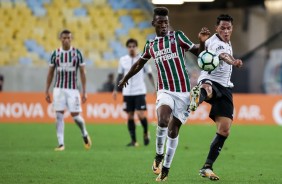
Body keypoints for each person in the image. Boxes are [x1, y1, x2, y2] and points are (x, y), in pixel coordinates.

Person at [118, 7, 210, 181]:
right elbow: (139, 64)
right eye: (160, 22)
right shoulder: (151, 45)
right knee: (162, 120)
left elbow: (198, 52)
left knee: (174, 130)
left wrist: (203, 42)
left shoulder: (178, 37)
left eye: (166, 22)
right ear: (154, 23)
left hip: (183, 92)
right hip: (165, 90)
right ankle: (159, 155)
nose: (164, 25)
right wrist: (125, 78)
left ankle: (166, 168)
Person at [189, 14, 243, 180]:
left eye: (228, 28)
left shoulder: (222, 41)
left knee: (224, 130)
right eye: (222, 28)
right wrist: (233, 61)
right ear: (216, 28)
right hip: (210, 79)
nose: (226, 31)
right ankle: (196, 97)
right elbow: (222, 56)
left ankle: (207, 167)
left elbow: (201, 48)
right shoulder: (218, 43)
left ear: (231, 29)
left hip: (225, 87)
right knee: (208, 88)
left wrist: (202, 44)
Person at [45, 29, 92, 151]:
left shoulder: (77, 54)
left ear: (71, 39)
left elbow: (83, 73)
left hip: (72, 90)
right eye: (64, 38)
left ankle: (84, 133)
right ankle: (61, 144)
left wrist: (85, 91)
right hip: (58, 89)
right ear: (60, 39)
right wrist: (46, 90)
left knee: (76, 117)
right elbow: (50, 73)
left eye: (68, 38)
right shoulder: (55, 54)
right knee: (59, 116)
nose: (66, 40)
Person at [113, 38, 155, 147]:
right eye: (129, 46)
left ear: (136, 47)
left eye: (133, 46)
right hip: (127, 92)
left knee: (141, 115)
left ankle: (146, 132)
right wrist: (115, 90)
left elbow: (149, 74)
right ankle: (134, 141)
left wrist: (155, 87)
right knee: (130, 116)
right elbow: (119, 75)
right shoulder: (123, 60)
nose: (132, 48)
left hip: (139, 91)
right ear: (127, 48)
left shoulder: (143, 58)